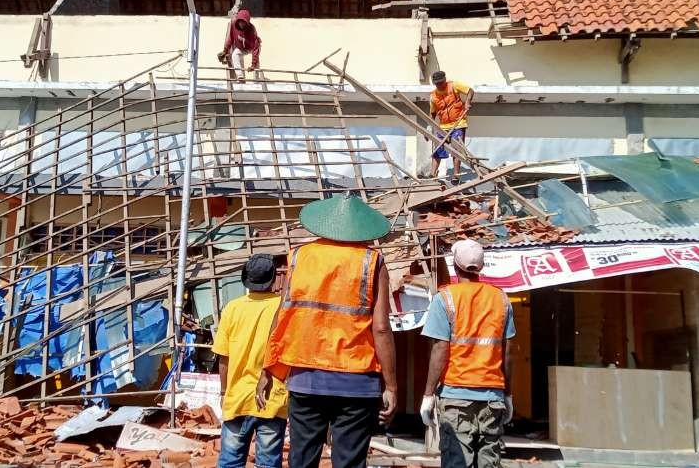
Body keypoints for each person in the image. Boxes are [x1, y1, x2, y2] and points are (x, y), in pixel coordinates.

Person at [256, 194, 398, 468]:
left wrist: (268, 368)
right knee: (349, 462)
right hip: (357, 382)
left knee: (302, 459)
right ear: (361, 228)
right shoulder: (372, 261)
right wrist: (391, 385)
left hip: (306, 378)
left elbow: (283, 314)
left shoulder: (299, 256)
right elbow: (381, 328)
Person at [420, 239, 514, 468]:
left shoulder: (445, 299)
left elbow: (440, 348)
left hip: (456, 397)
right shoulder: (501, 299)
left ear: (455, 264)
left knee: (456, 462)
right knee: (489, 462)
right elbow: (508, 351)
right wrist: (508, 393)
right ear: (480, 267)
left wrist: (428, 395)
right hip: (493, 397)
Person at [212, 254, 289, 468]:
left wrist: (223, 391)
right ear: (273, 279)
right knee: (268, 464)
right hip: (271, 399)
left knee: (230, 462)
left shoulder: (232, 309)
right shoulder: (283, 309)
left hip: (237, 398)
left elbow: (223, 358)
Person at [428, 70, 474, 183]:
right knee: (438, 149)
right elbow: (433, 113)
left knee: (456, 150)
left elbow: (470, 91)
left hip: (458, 123)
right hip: (443, 127)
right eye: (437, 83)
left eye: (441, 82)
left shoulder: (453, 85)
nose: (440, 85)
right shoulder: (433, 96)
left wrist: (467, 102)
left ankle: (456, 175)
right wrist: (428, 127)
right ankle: (432, 175)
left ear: (445, 80)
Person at [218, 8, 262, 82]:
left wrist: (253, 65)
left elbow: (255, 49)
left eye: (243, 22)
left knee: (256, 62)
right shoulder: (233, 26)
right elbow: (231, 39)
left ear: (247, 22)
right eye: (240, 22)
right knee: (235, 54)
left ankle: (256, 80)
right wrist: (225, 51)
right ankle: (240, 76)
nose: (241, 24)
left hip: (253, 47)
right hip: (241, 48)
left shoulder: (252, 29)